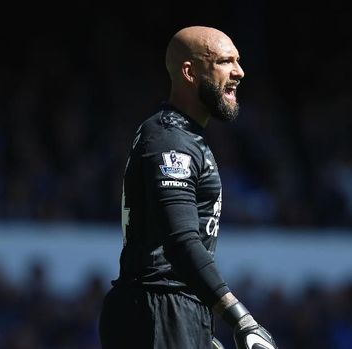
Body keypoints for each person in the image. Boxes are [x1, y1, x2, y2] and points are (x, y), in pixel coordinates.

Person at [98, 26, 277, 349]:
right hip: (158, 308)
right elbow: (180, 240)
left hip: (170, 310)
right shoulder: (170, 140)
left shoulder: (181, 136)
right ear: (189, 72)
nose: (239, 72)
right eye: (225, 61)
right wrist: (241, 319)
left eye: (238, 61)